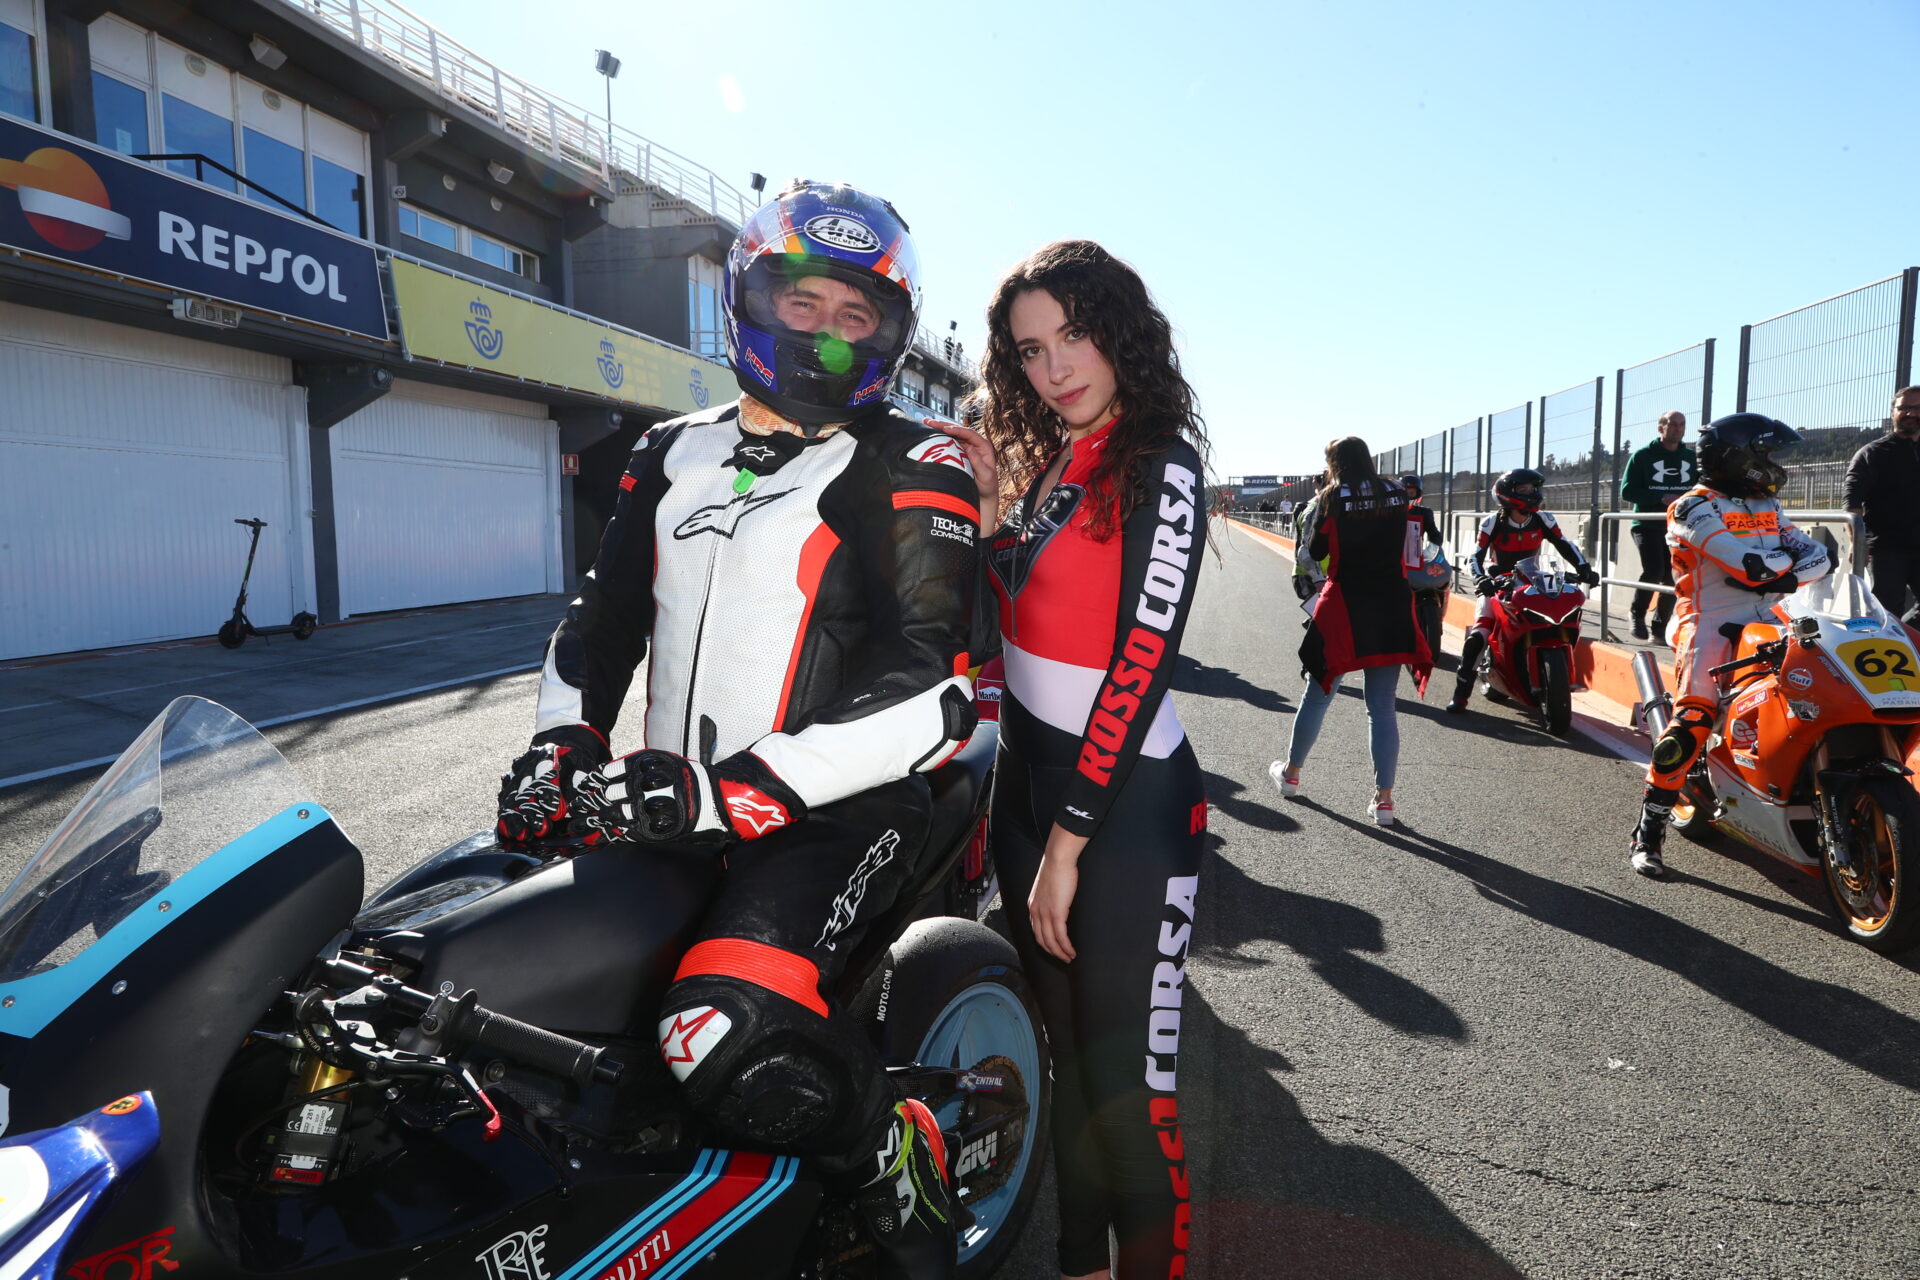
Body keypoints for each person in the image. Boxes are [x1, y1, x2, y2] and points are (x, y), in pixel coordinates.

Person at [493, 181, 982, 1280]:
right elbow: (600, 625)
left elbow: (933, 688)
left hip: (839, 808)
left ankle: (894, 1149)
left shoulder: (919, 460)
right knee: (494, 983)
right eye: (803, 302)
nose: (827, 334)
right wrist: (560, 745)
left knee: (718, 1028)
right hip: (671, 803)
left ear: (893, 334)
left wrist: (733, 792)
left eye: (857, 315)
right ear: (749, 298)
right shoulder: (667, 448)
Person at [938, 239, 1208, 1280]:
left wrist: (1069, 843)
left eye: (1075, 335)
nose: (1056, 367)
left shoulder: (1159, 462)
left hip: (1124, 811)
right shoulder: (1051, 459)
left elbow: (1140, 662)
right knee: (1067, 1067)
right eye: (1031, 350)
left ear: (1119, 331)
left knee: (1130, 1096)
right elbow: (1000, 626)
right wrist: (989, 514)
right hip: (1025, 792)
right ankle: (1078, 1264)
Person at [1628, 413, 1831, 877]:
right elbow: (1748, 567)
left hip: (1774, 616)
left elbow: (1821, 557)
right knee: (1691, 724)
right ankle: (1648, 833)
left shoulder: (1767, 504)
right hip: (1709, 624)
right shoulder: (1691, 507)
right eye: (1766, 454)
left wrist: (1780, 570)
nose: (1774, 464)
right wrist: (1785, 567)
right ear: (1738, 457)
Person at [1270, 442, 1432, 825]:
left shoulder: (1332, 497)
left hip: (1344, 605)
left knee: (1317, 695)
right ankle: (1384, 800)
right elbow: (1410, 538)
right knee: (1382, 706)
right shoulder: (1396, 491)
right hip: (1391, 603)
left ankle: (1291, 775)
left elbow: (1315, 550)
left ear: (1335, 464)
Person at [1446, 468, 1599, 714]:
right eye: (1524, 489)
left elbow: (1564, 545)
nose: (1532, 493)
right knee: (1479, 635)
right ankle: (1461, 695)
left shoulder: (1543, 519)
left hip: (1531, 580)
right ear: (1507, 494)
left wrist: (1584, 568)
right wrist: (1480, 578)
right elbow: (1475, 556)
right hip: (1497, 584)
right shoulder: (1492, 522)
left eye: (1533, 488)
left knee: (1552, 619)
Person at [1619, 410, 1698, 643]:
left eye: (1681, 424)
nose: (1677, 429)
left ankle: (1660, 628)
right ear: (1660, 427)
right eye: (1672, 424)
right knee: (1653, 571)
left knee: (1674, 577)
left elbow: (1700, 488)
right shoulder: (1642, 456)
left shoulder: (1691, 457)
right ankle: (1636, 614)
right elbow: (1627, 491)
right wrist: (1661, 497)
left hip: (1678, 527)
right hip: (1647, 524)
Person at [1844, 386, 1920, 621]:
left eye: (1917, 408)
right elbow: (1852, 503)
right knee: (1886, 613)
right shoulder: (1872, 453)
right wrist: (1856, 542)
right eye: (1904, 408)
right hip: (1886, 550)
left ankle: (1907, 639)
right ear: (1893, 412)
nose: (1911, 413)